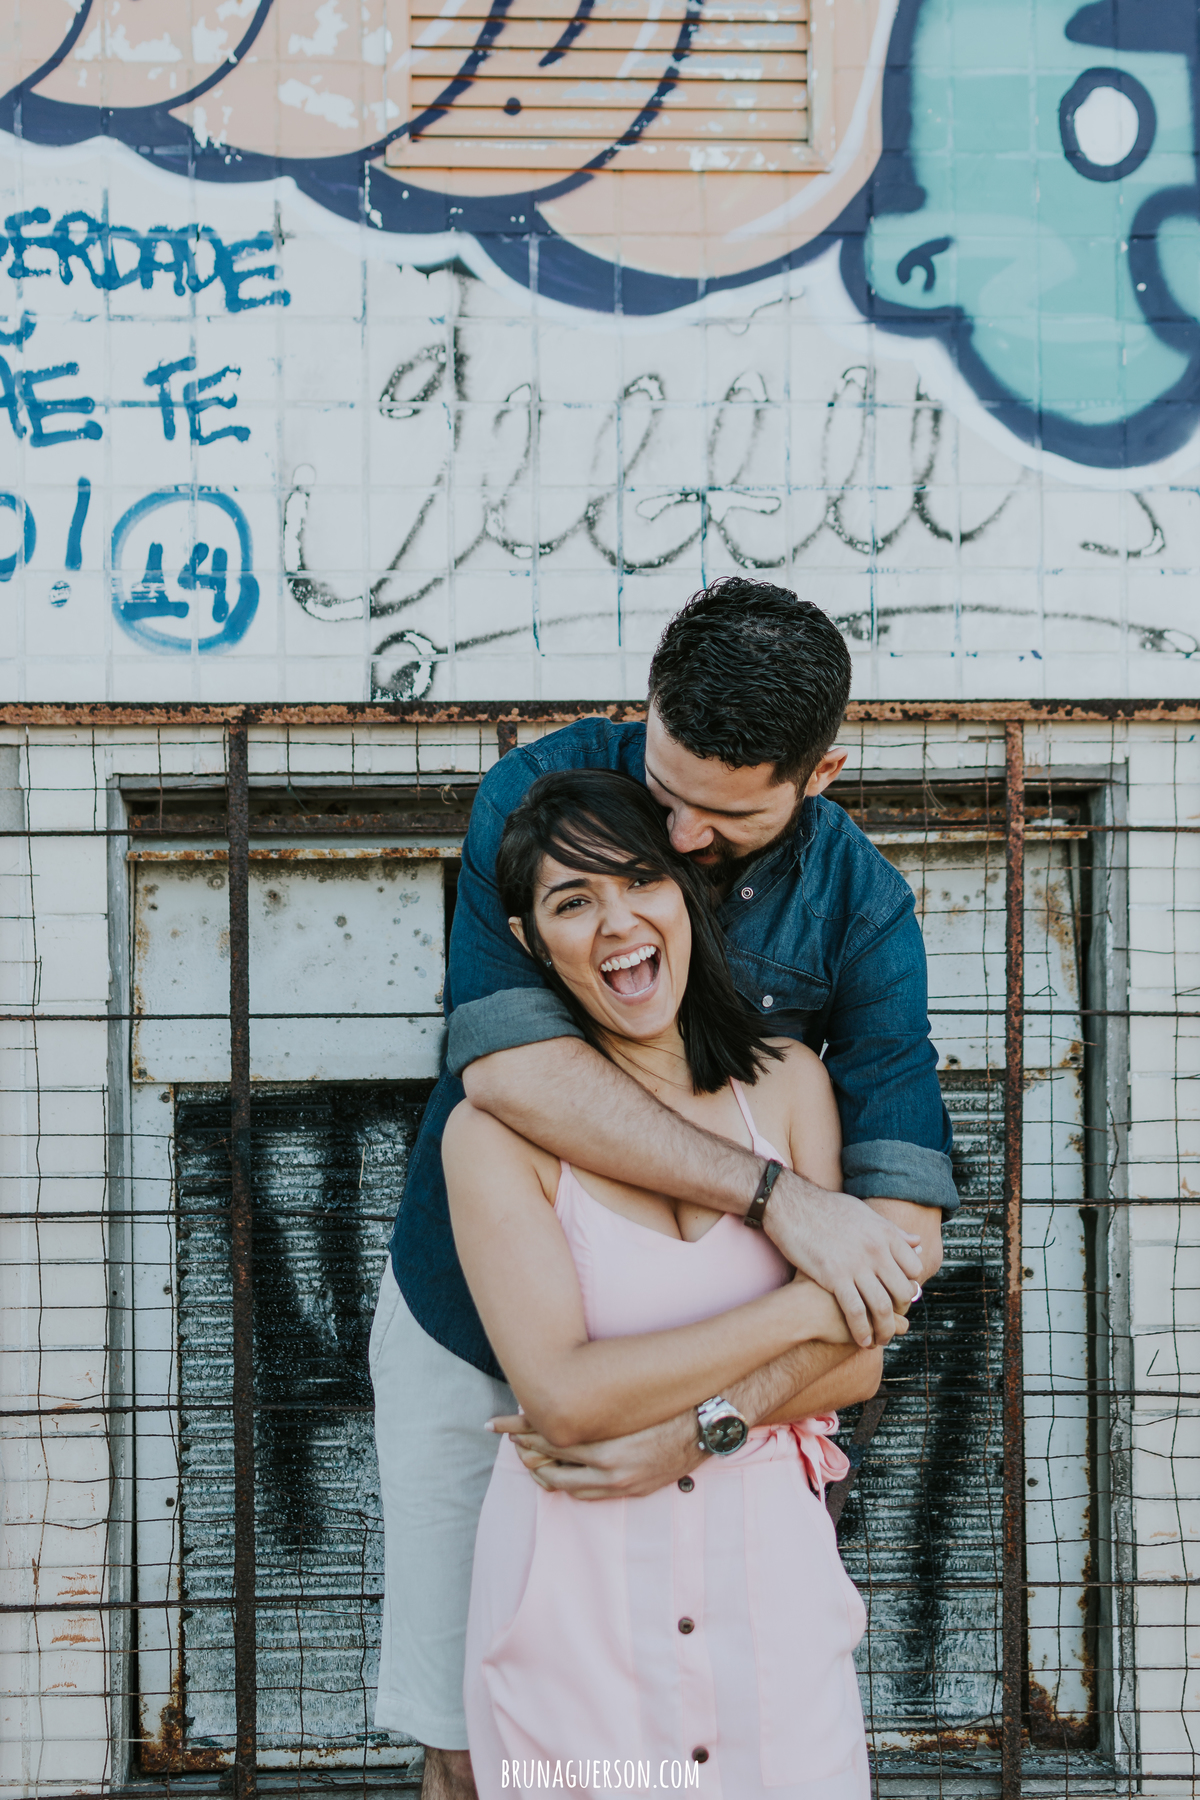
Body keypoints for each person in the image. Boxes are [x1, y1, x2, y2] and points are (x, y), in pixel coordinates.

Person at [371, 579, 955, 1799]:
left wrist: (699, 1432)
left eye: (719, 822)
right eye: (665, 791)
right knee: (473, 1737)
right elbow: (515, 1076)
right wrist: (781, 1202)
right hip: (470, 1322)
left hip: (715, 1381)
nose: (678, 842)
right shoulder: (539, 796)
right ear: (647, 707)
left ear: (822, 773)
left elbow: (894, 1246)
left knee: (713, 1742)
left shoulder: (862, 907)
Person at [447, 769, 920, 1798]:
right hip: (579, 1593)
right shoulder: (493, 1134)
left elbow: (861, 1364)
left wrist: (694, 1427)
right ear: (531, 942)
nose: (617, 921)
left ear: (687, 895)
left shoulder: (787, 1083)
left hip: (772, 1592)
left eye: (639, 881)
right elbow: (568, 1399)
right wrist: (811, 1302)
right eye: (574, 901)